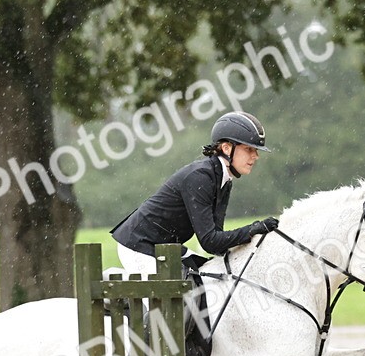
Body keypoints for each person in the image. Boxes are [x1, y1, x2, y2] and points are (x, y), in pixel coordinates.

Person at [111, 111, 280, 275]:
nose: (255, 156)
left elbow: (218, 242)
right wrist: (252, 230)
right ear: (227, 148)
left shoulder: (223, 180)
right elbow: (210, 241)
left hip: (166, 247)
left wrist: (254, 236)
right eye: (249, 149)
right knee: (178, 292)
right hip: (138, 246)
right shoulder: (200, 177)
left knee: (205, 276)